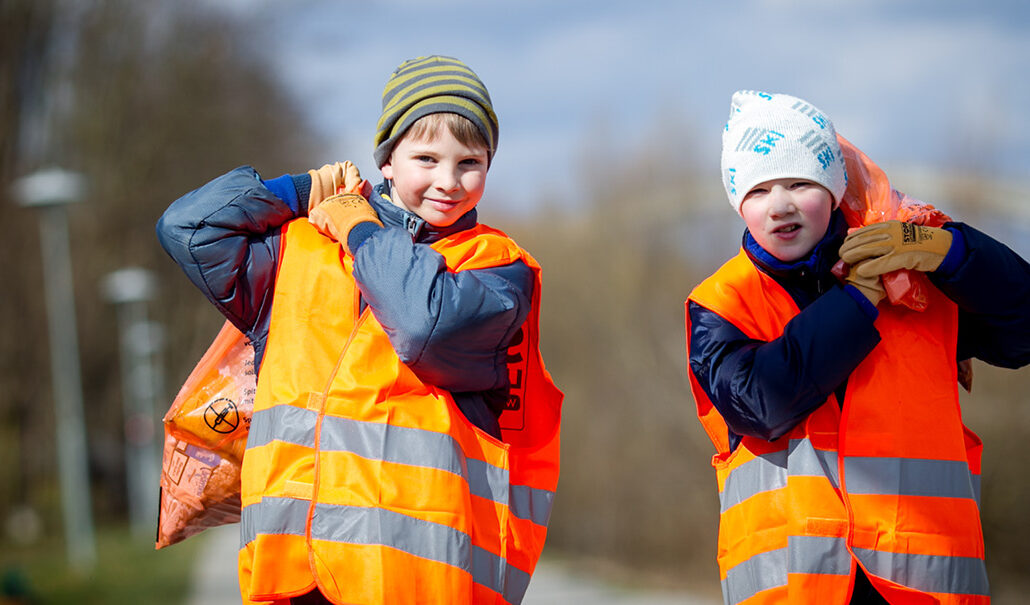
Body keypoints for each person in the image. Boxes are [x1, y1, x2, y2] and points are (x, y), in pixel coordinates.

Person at [158, 55, 562, 605]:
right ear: (388, 161)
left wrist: (361, 228)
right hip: (293, 575)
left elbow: (421, 326)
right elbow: (187, 228)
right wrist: (297, 191)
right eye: (426, 158)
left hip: (407, 581)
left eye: (470, 162)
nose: (448, 180)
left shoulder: (498, 270)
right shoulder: (301, 248)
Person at [685, 90, 1030, 604]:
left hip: (926, 583)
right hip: (793, 588)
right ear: (737, 201)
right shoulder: (722, 301)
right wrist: (857, 302)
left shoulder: (915, 279)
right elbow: (762, 401)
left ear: (832, 188)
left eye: (800, 183)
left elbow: (1019, 330)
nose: (779, 206)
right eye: (758, 191)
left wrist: (956, 252)